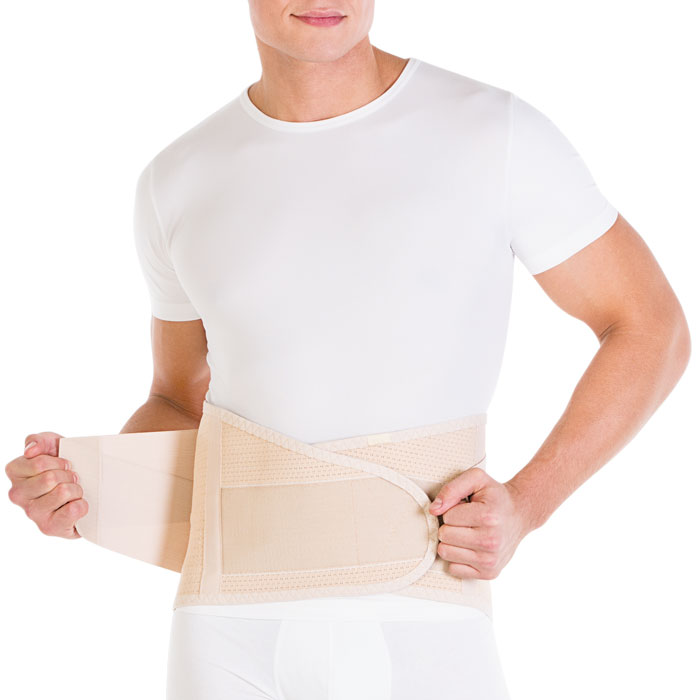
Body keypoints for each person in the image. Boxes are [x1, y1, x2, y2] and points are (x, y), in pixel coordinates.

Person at [6, 1, 692, 699]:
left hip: (422, 620)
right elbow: (178, 399)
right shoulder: (177, 177)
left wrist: (527, 503)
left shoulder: (491, 133)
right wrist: (91, 493)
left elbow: (651, 328)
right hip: (224, 629)